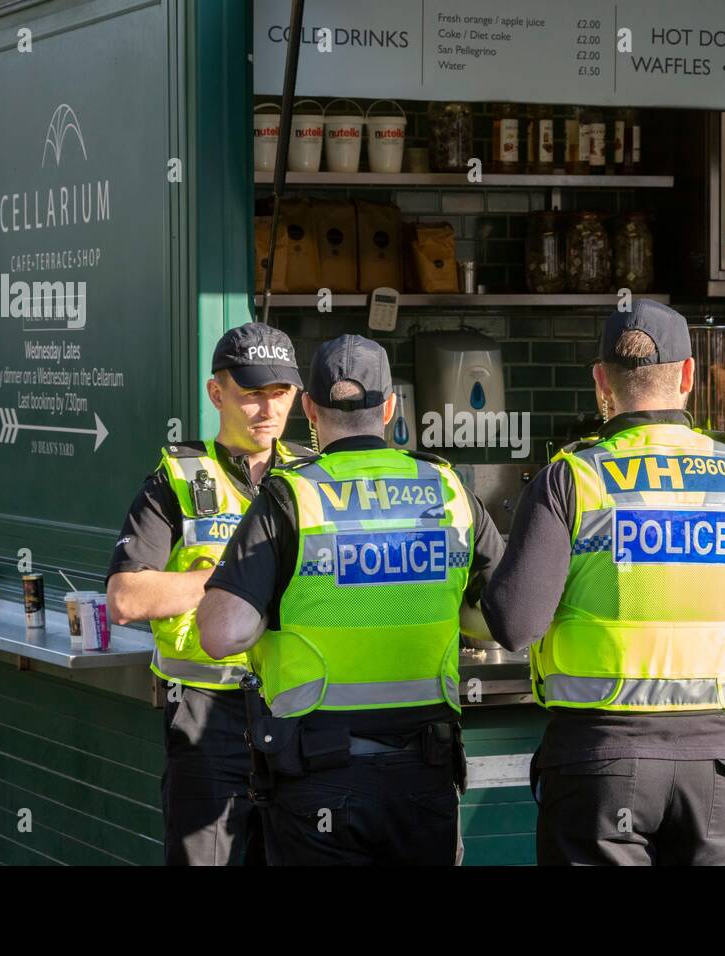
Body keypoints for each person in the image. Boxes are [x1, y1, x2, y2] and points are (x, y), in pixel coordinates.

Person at [482, 301, 725, 866]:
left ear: (600, 382)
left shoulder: (573, 476)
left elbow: (515, 627)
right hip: (715, 764)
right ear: (688, 376)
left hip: (600, 762)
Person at [196, 333, 504, 865]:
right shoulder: (448, 488)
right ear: (388, 408)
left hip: (321, 777)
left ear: (310, 410)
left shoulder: (289, 497)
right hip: (423, 776)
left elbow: (221, 634)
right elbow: (508, 615)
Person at [106, 322, 310, 866]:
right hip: (205, 715)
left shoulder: (315, 478)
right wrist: (233, 583)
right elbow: (125, 598)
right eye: (250, 394)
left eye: (280, 393)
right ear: (216, 394)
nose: (267, 409)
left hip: (298, 711)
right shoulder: (175, 477)